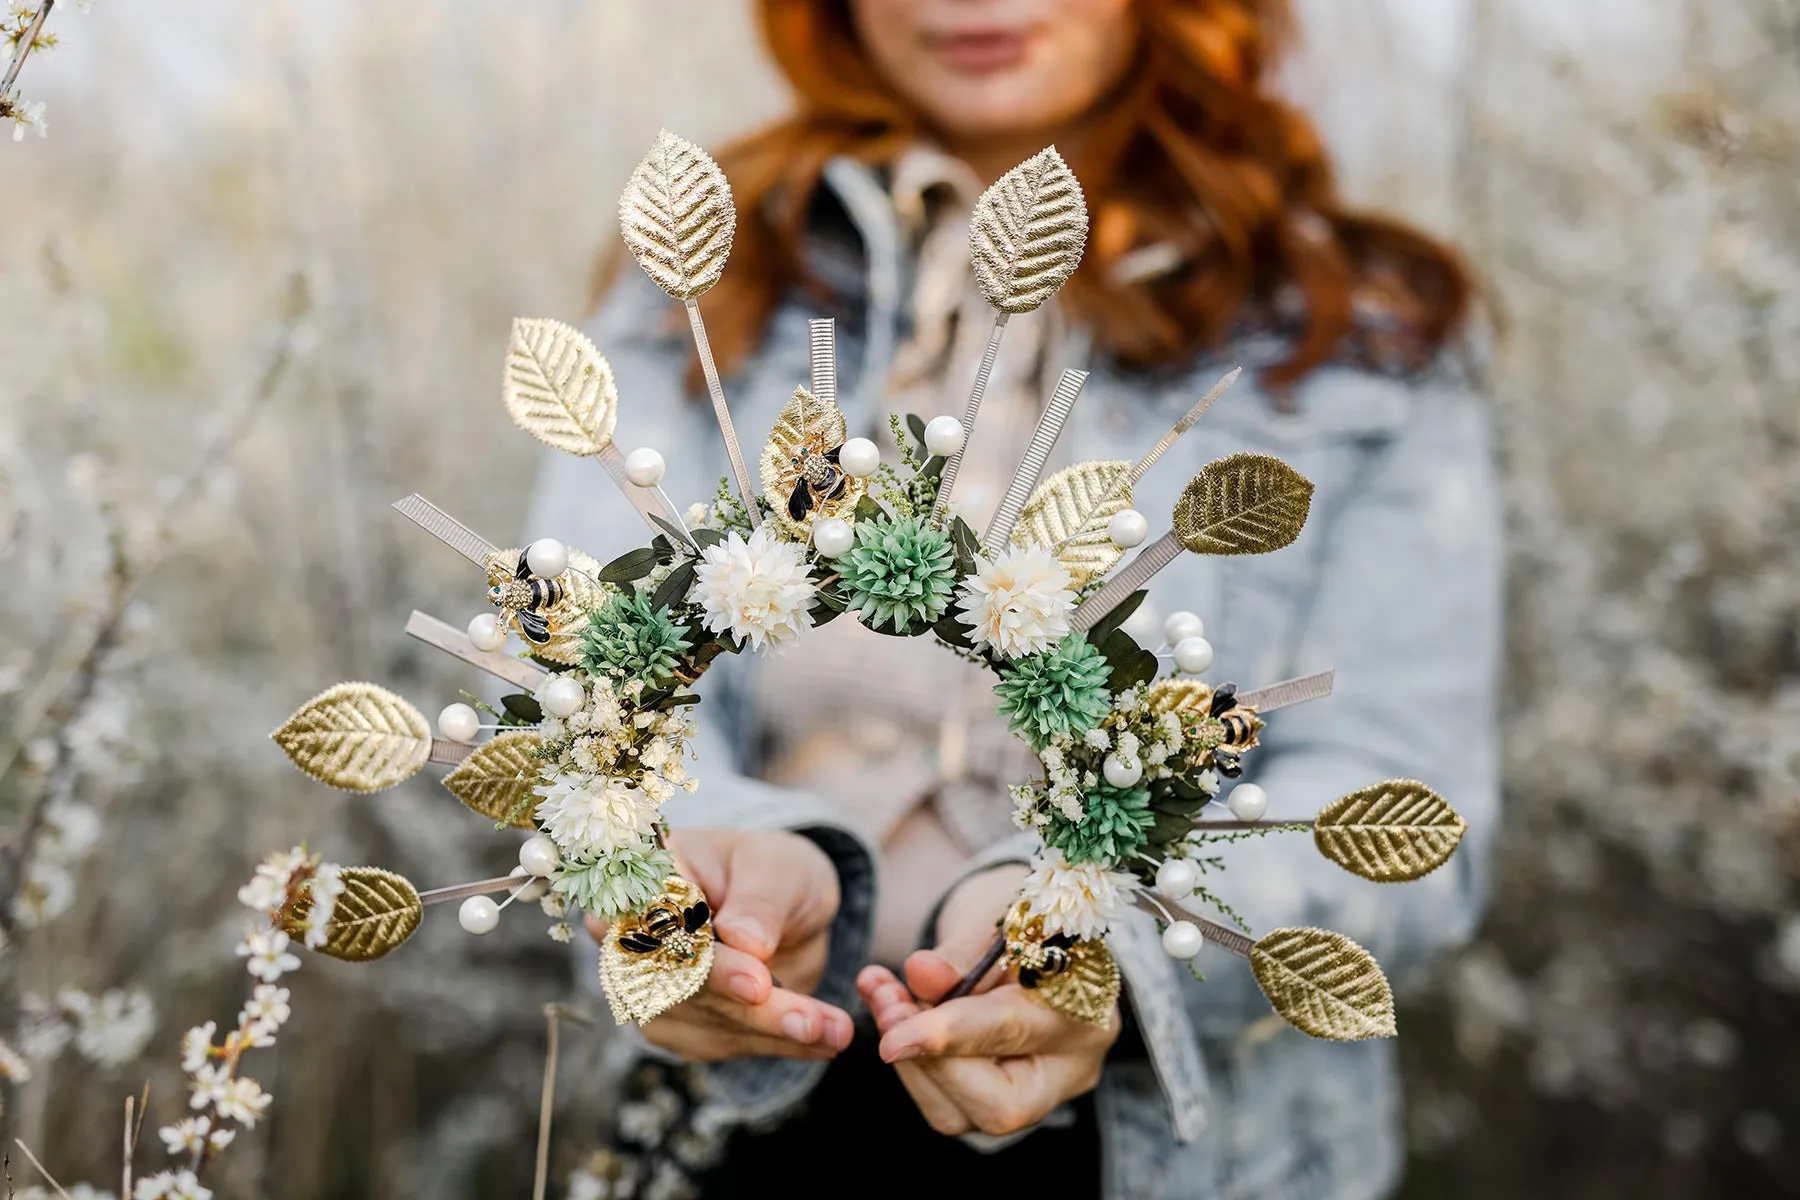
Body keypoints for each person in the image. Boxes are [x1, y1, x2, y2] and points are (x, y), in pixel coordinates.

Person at [528, 1, 1503, 1196]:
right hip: (745, 1121)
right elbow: (579, 683)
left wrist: (1097, 928)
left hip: (1186, 1149)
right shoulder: (710, 275)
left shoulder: (1363, 335)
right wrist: (717, 862)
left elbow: (1401, 807)